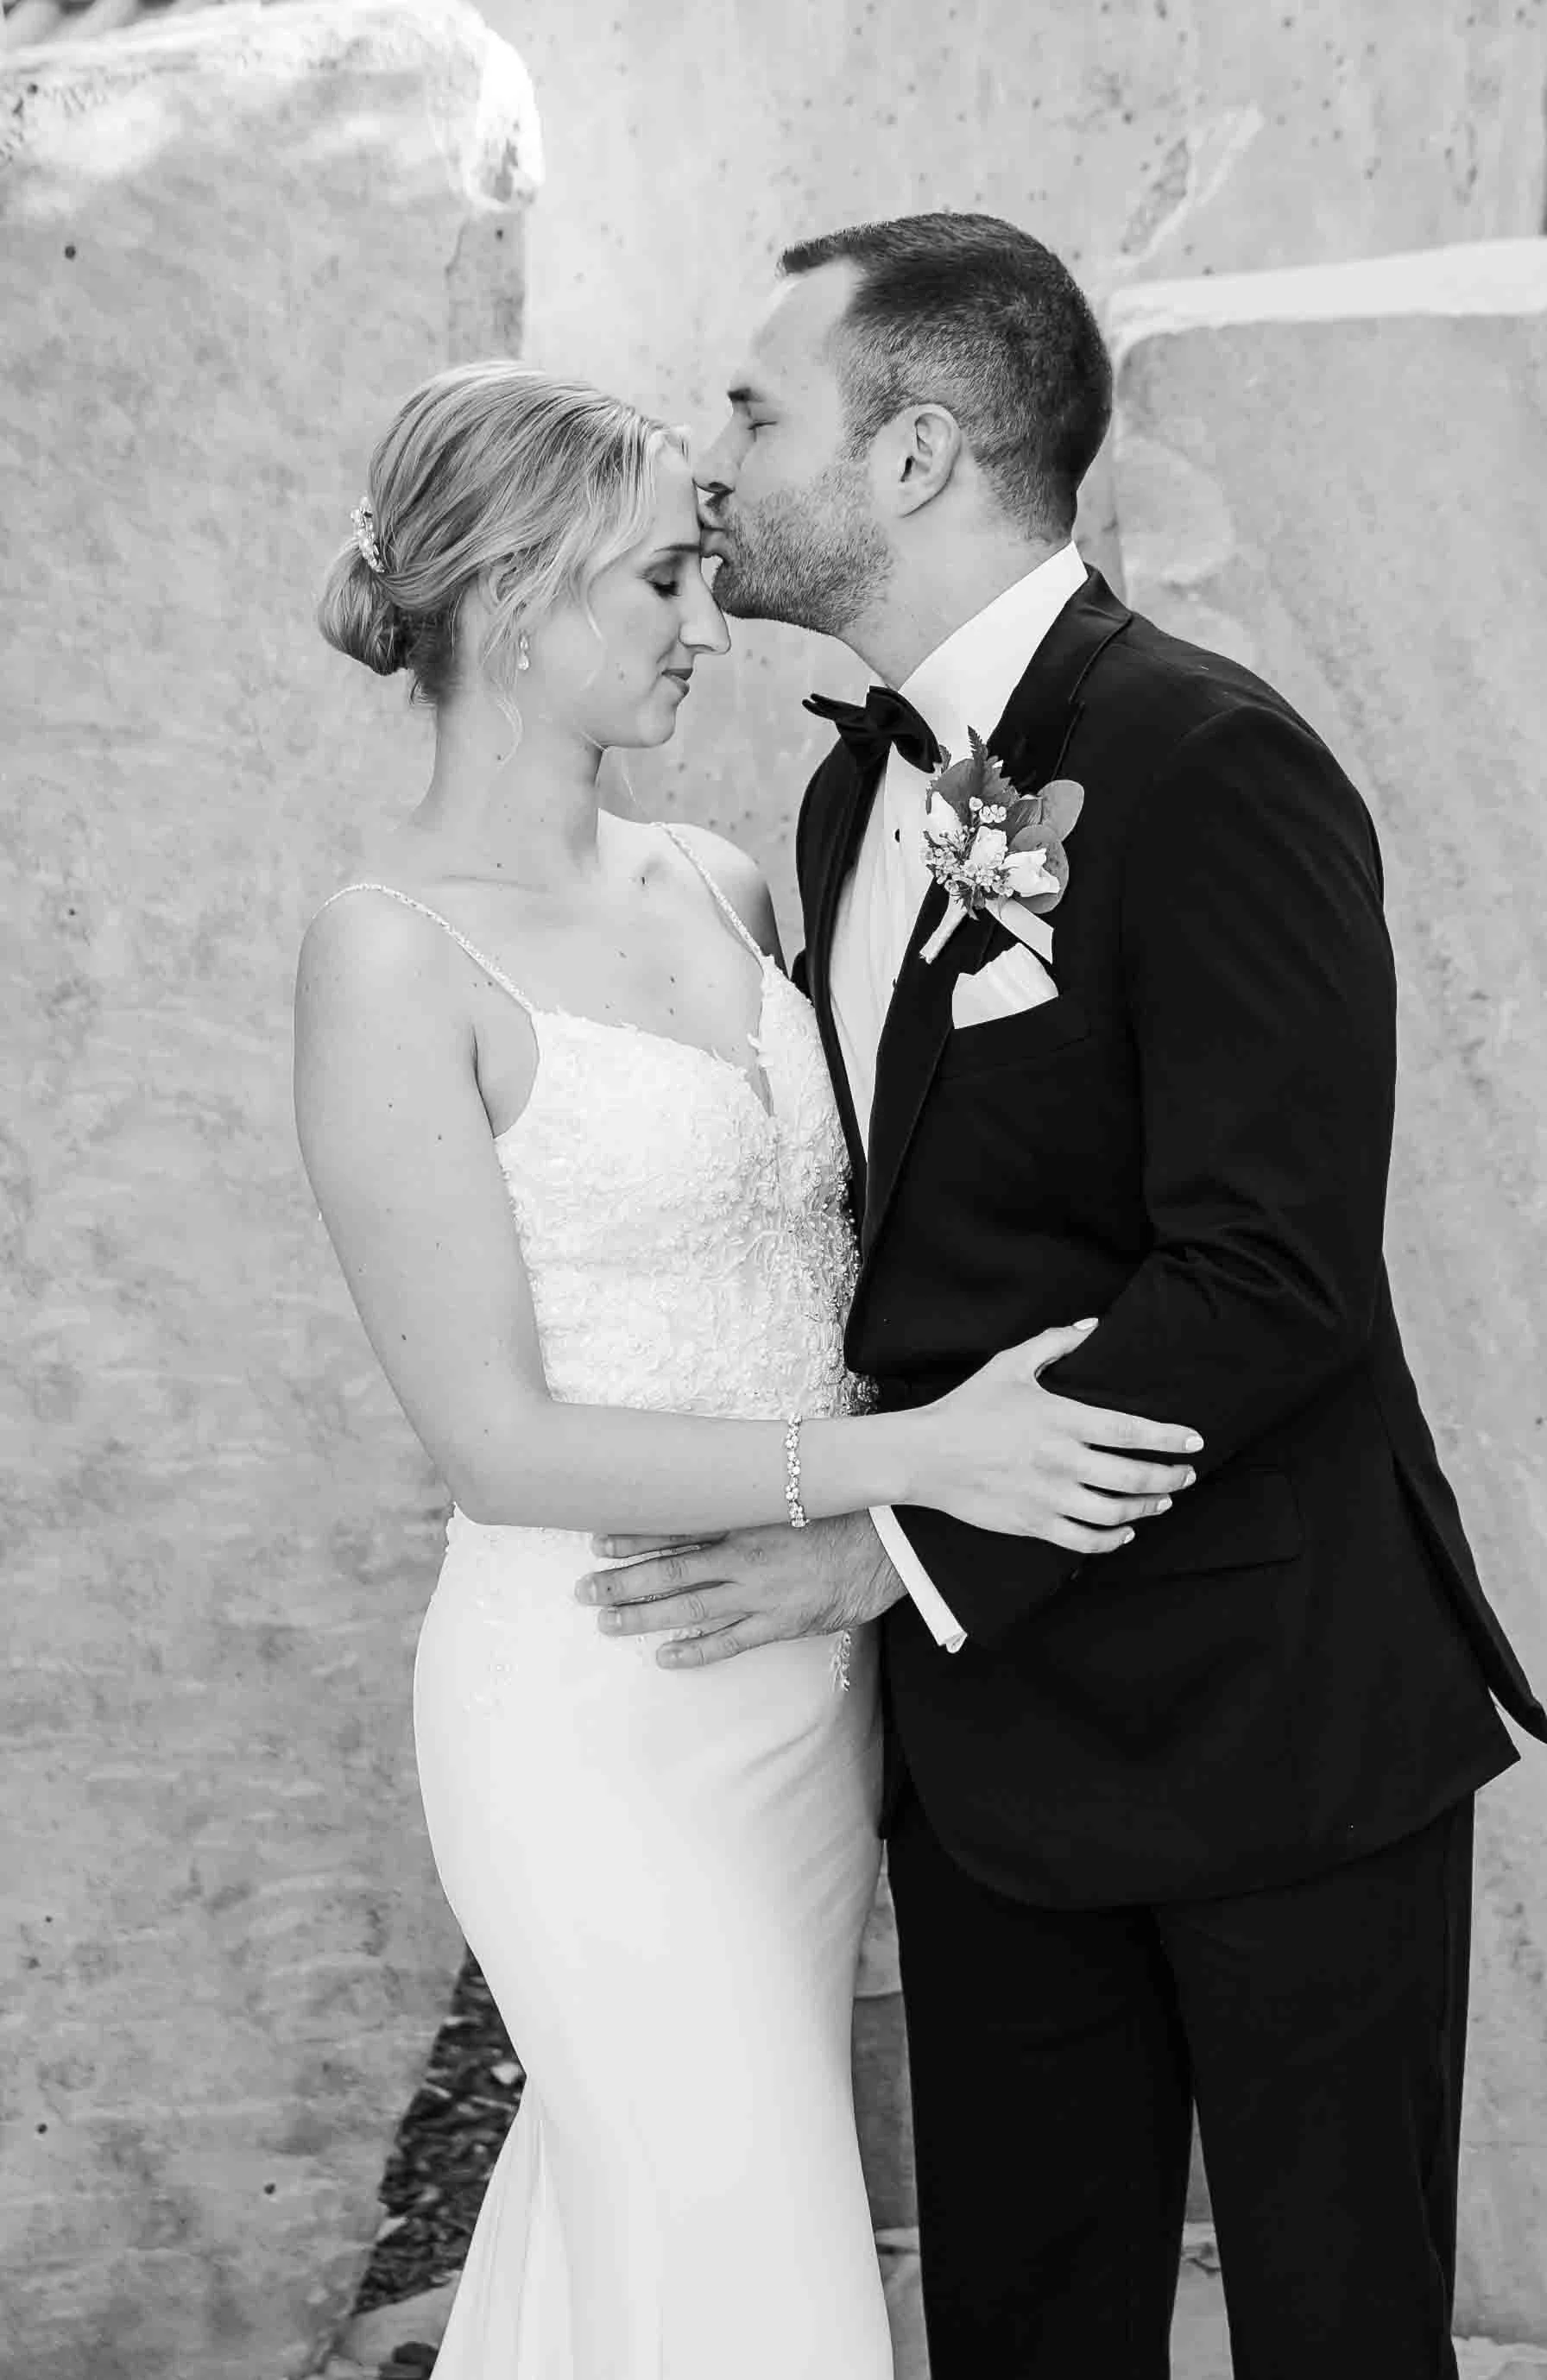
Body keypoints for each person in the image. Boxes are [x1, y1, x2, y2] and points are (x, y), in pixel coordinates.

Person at [587, 213, 1547, 2380]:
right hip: (994, 1746)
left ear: (916, 451)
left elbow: (1269, 1274)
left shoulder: (1213, 763)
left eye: (757, 408)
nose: (711, 458)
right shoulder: (850, 798)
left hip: (1274, 1710)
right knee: (1025, 2324)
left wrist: (884, 1541)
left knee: (1333, 2331)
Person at [294, 360, 1198, 2379]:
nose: (713, 627)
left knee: (643, 2246)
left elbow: (863, 1244)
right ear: (515, 595)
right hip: (597, 1700)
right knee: (751, 2263)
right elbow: (499, 1441)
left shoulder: (723, 881)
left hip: (809, 1703)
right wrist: (919, 1464)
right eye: (664, 584)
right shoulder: (389, 955)